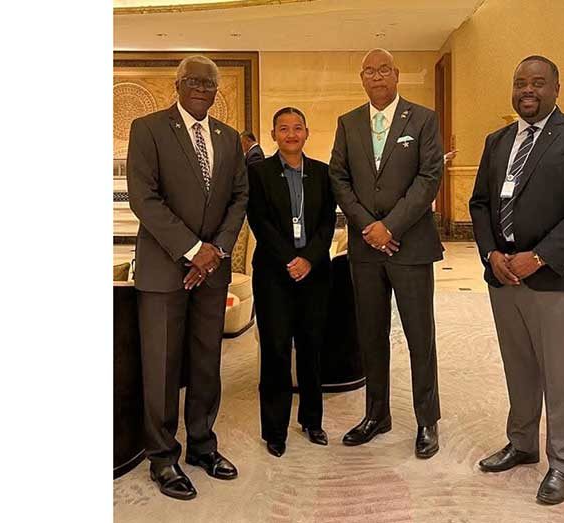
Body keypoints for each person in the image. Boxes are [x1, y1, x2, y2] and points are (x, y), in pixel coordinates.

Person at [469, 55, 564, 505]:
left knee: (557, 373)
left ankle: (563, 464)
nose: (527, 90)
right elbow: (481, 204)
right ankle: (522, 443)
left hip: (554, 277)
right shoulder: (497, 140)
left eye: (537, 83)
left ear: (556, 88)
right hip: (503, 275)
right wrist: (492, 254)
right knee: (519, 366)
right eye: (520, 83)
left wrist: (540, 257)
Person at [127, 55, 248, 501]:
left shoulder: (228, 137)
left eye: (209, 83)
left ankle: (201, 445)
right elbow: (145, 198)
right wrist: (194, 250)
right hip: (164, 272)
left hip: (212, 273)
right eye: (193, 80)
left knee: (205, 363)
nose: (201, 88)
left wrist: (215, 252)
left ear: (217, 91)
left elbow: (239, 197)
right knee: (161, 367)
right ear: (176, 85)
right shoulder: (149, 128)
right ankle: (162, 457)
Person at [329, 48, 444, 459]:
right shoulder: (348, 122)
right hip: (365, 249)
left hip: (410, 246)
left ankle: (427, 420)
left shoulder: (424, 119)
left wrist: (389, 226)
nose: (377, 76)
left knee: (419, 336)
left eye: (384, 69)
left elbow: (430, 178)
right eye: (369, 71)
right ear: (362, 78)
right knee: (371, 335)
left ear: (396, 75)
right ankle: (376, 414)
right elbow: (338, 178)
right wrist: (368, 228)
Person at [246, 107, 336, 457]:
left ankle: (312, 421)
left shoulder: (323, 173)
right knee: (276, 350)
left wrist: (309, 259)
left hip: (315, 275)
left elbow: (327, 223)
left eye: (297, 128)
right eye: (283, 128)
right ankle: (275, 430)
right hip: (274, 275)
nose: (291, 134)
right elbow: (260, 221)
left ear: (307, 133)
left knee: (312, 349)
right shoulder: (259, 173)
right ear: (273, 135)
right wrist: (289, 260)